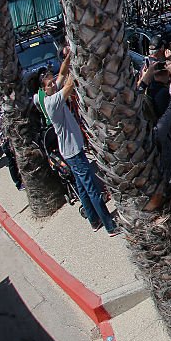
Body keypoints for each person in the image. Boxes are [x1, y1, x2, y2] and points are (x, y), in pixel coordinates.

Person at [37, 52, 119, 235]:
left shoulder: (53, 92)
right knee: (91, 187)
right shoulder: (52, 102)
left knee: (82, 188)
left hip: (70, 149)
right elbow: (69, 83)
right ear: (43, 90)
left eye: (51, 83)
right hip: (73, 151)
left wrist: (68, 57)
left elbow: (62, 75)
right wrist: (79, 62)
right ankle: (110, 225)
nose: (52, 85)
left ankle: (93, 220)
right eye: (49, 85)